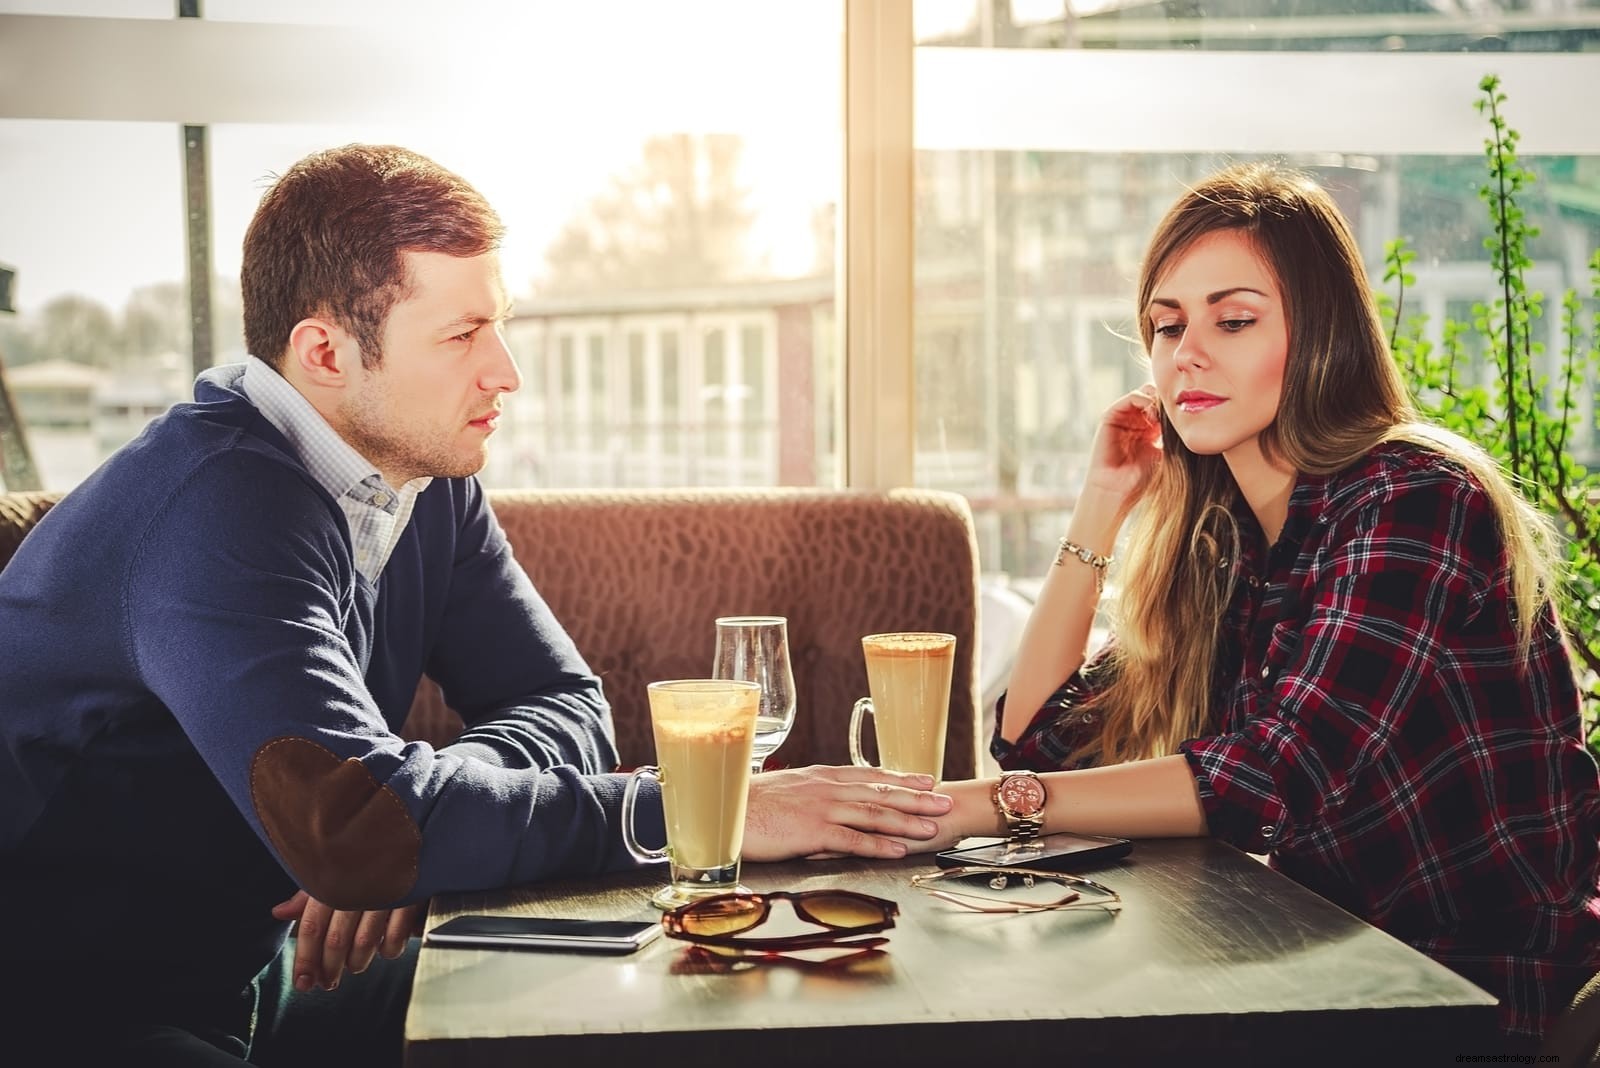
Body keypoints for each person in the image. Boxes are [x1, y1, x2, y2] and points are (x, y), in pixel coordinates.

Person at [0, 144, 950, 1066]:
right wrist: (705, 815)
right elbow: (365, 832)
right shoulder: (214, 508)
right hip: (76, 1008)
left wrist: (425, 823)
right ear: (324, 351)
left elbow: (566, 703)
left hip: (267, 970)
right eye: (461, 336)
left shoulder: (420, 475)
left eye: (499, 326)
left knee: (651, 1011)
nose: (505, 372)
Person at [917, 162, 1600, 1047]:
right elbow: (1042, 737)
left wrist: (980, 804)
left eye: (1232, 320)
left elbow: (1273, 778)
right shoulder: (1230, 542)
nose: (1185, 352)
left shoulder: (1417, 497)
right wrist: (1100, 500)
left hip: (1480, 998)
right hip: (1316, 970)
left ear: (1320, 336)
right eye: (1166, 326)